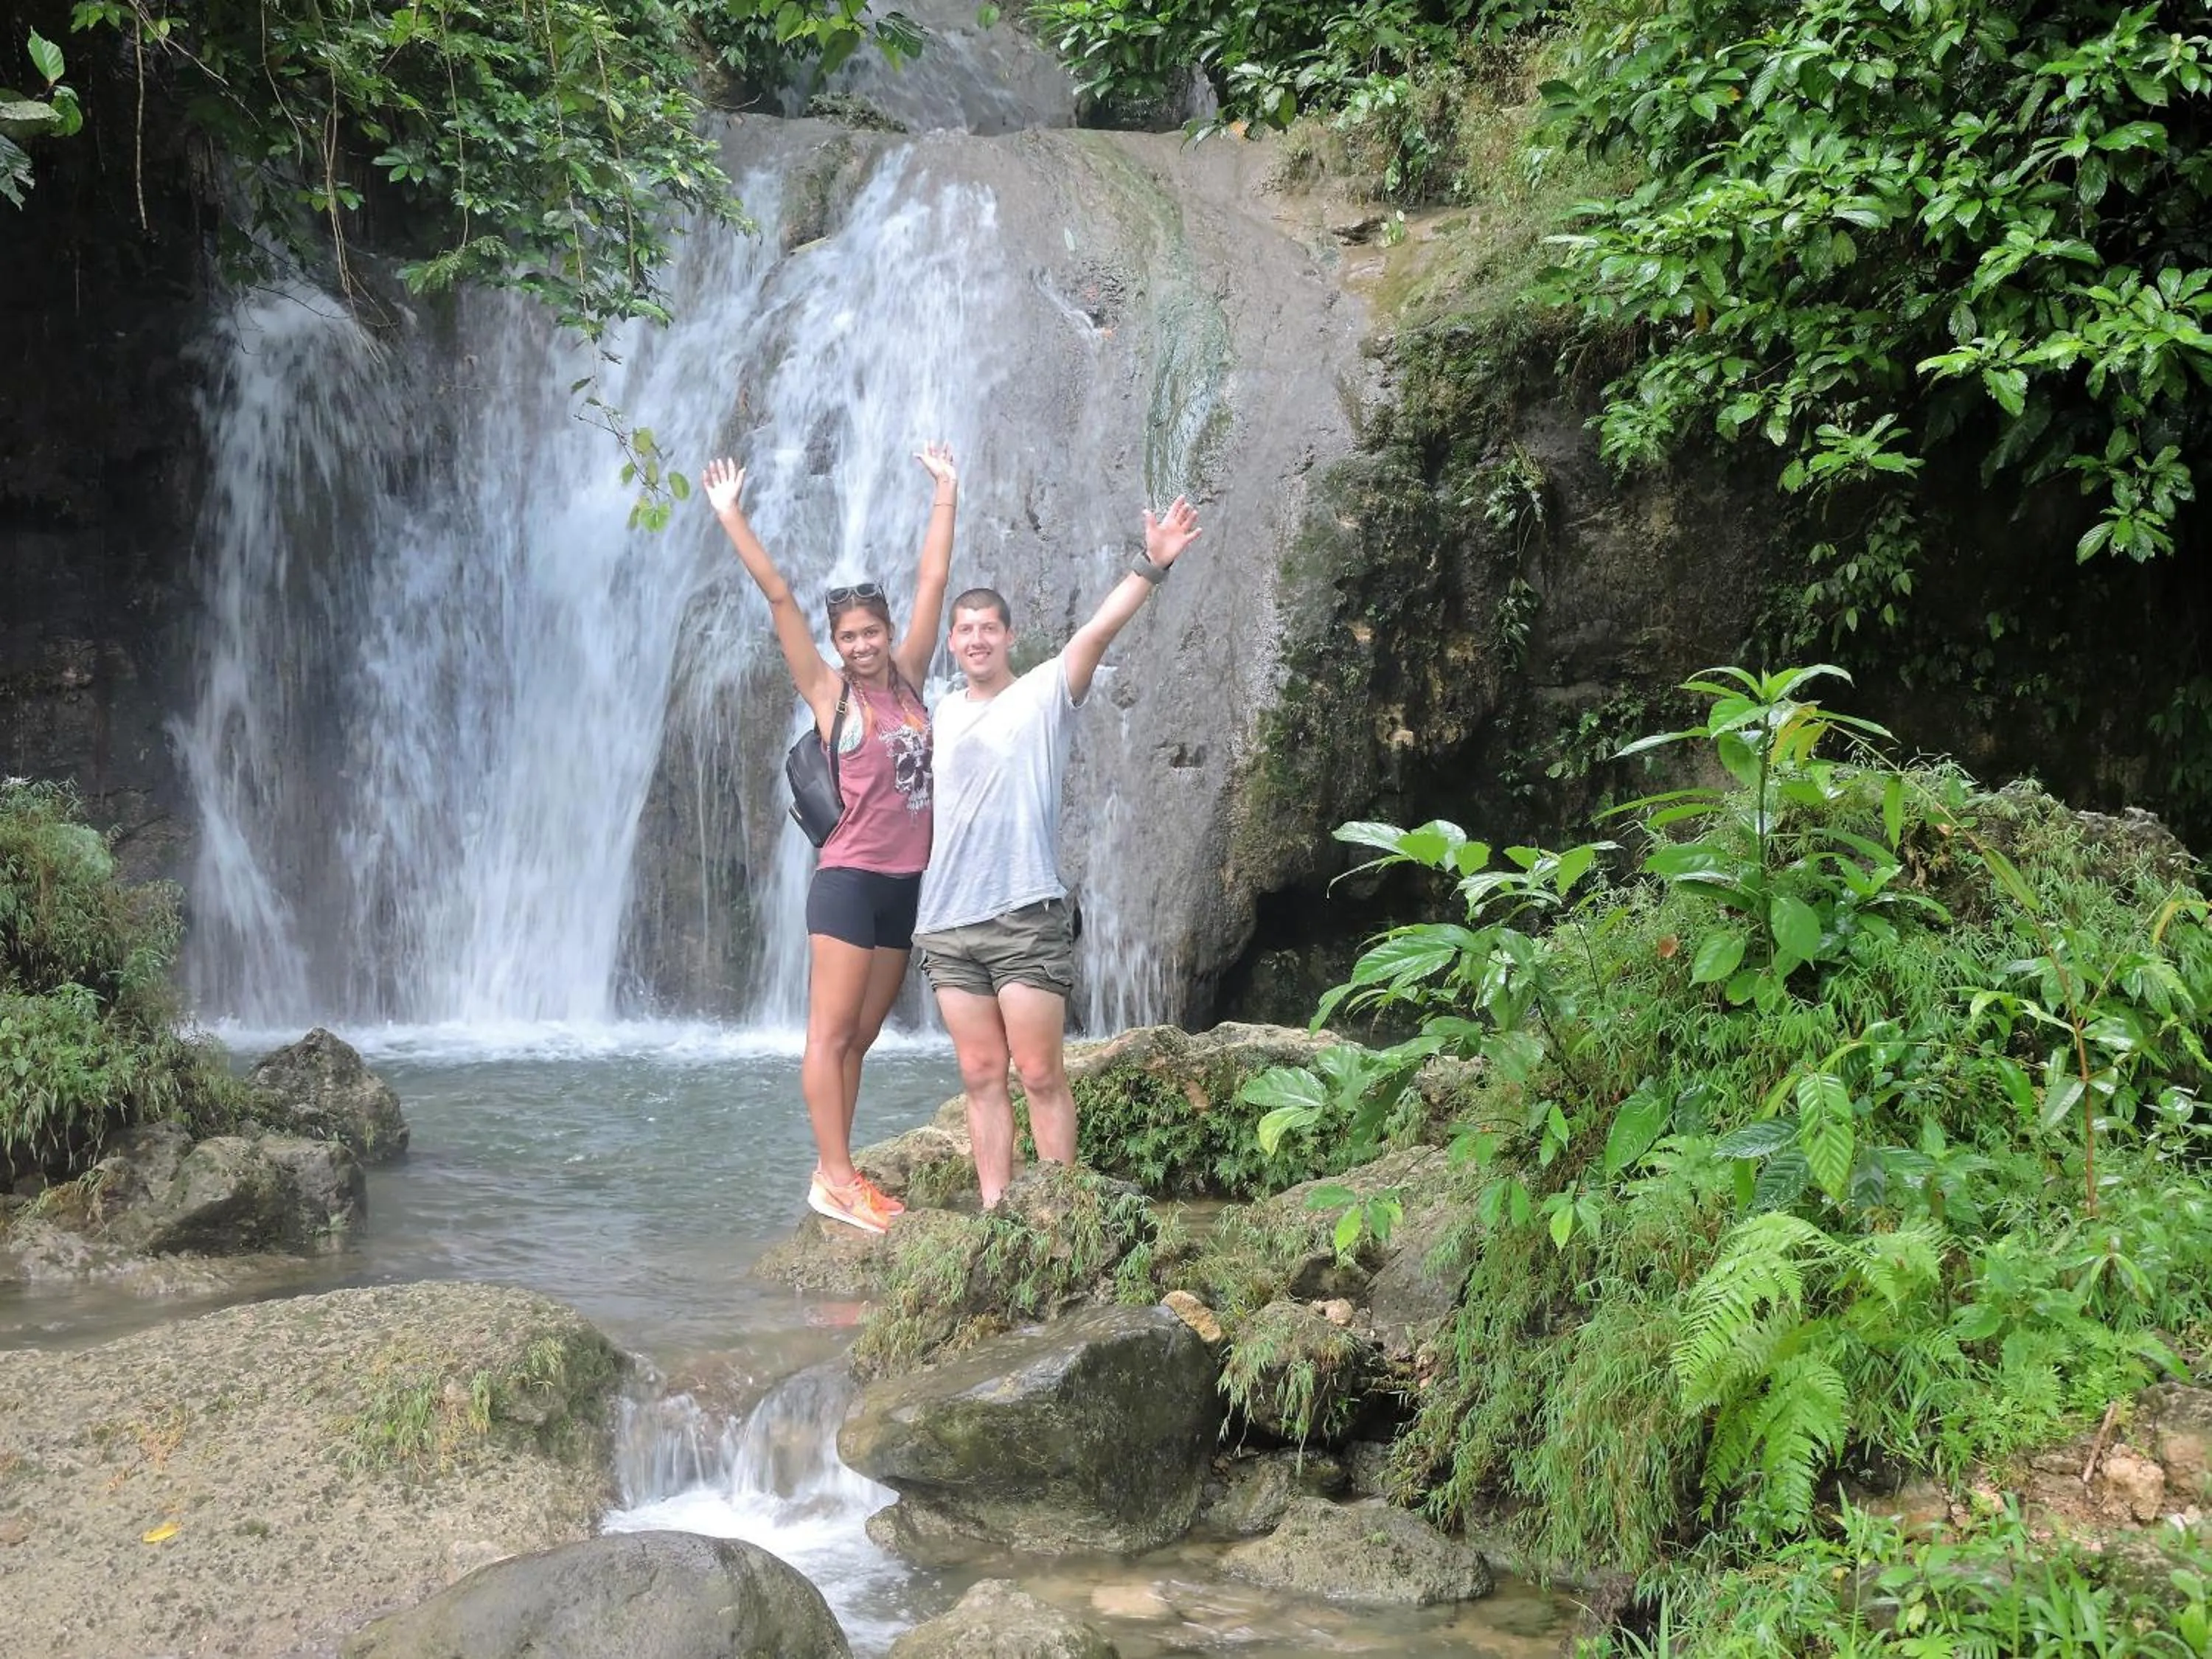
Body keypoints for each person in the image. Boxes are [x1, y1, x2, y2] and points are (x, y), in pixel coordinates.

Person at [912, 495, 1203, 1208]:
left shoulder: (1045, 693)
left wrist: (1152, 564)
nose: (977, 638)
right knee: (981, 1075)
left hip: (1023, 916)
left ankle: (1059, 1214)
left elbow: (1099, 631)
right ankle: (997, 1212)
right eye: (965, 629)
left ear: (1009, 636)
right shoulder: (939, 711)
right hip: (946, 924)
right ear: (952, 642)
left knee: (1039, 1073)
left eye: (989, 627)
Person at [703, 443, 959, 1235]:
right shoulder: (829, 694)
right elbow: (780, 596)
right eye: (847, 636)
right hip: (847, 880)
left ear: (886, 632)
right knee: (830, 1033)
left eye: (869, 632)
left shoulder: (910, 679)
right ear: (837, 642)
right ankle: (836, 1178)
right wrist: (731, 515)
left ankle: (838, 1170)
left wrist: (946, 492)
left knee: (862, 1037)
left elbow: (933, 582)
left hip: (903, 886)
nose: (860, 646)